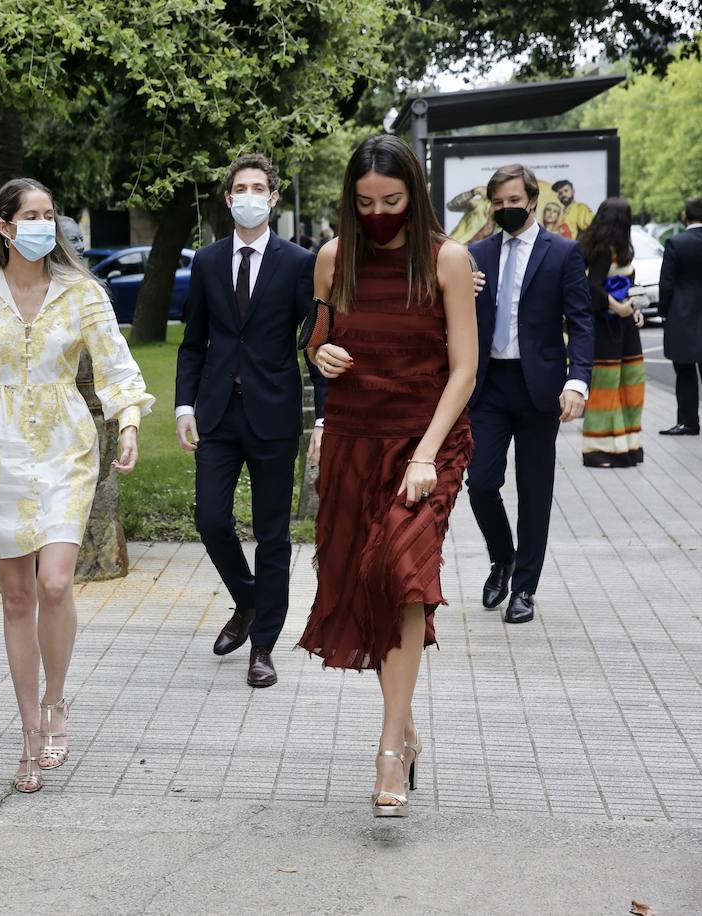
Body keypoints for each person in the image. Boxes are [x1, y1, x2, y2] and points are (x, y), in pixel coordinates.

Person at [0, 178, 153, 793]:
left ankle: (58, 701)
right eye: (31, 216)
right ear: (4, 227)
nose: (44, 225)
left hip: (66, 443)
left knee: (55, 581)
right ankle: (30, 729)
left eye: (50, 215)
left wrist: (130, 420)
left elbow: (116, 363)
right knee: (14, 597)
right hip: (0, 448)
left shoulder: (83, 292)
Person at [297, 134, 477, 817]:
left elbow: (464, 367)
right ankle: (404, 729)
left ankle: (386, 748)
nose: (378, 213)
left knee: (401, 572)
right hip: (352, 439)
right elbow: (316, 341)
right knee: (366, 582)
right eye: (365, 202)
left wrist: (428, 454)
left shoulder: (447, 261)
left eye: (392, 201)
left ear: (416, 195)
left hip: (428, 439)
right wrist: (325, 357)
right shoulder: (332, 259)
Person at [174, 152, 326, 688]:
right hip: (217, 411)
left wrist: (324, 418)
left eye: (259, 187)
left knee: (273, 534)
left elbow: (317, 343)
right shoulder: (209, 260)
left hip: (274, 414)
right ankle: (250, 600)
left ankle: (263, 647)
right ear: (227, 197)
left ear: (274, 197)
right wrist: (185, 405)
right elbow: (193, 342)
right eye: (240, 187)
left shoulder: (298, 263)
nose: (249, 195)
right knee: (211, 519)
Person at [466, 164, 593, 624]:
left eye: (513, 202)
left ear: (533, 201)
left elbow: (581, 322)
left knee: (535, 491)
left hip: (540, 388)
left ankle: (524, 589)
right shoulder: (474, 254)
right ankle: (504, 557)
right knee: (480, 482)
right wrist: (464, 292)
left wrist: (577, 381)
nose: (505, 209)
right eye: (497, 203)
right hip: (489, 386)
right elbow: (449, 317)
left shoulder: (562, 252)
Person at [579, 198, 646, 467]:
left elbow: (624, 286)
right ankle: (597, 448)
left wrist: (633, 310)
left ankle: (626, 445)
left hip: (622, 325)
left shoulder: (616, 249)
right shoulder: (602, 250)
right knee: (607, 386)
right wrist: (618, 307)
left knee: (629, 382)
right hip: (605, 326)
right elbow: (591, 286)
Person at [660, 197, 702, 436]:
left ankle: (689, 422)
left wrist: (664, 313)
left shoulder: (677, 242)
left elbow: (666, 283)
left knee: (685, 372)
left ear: (685, 216)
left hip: (683, 314)